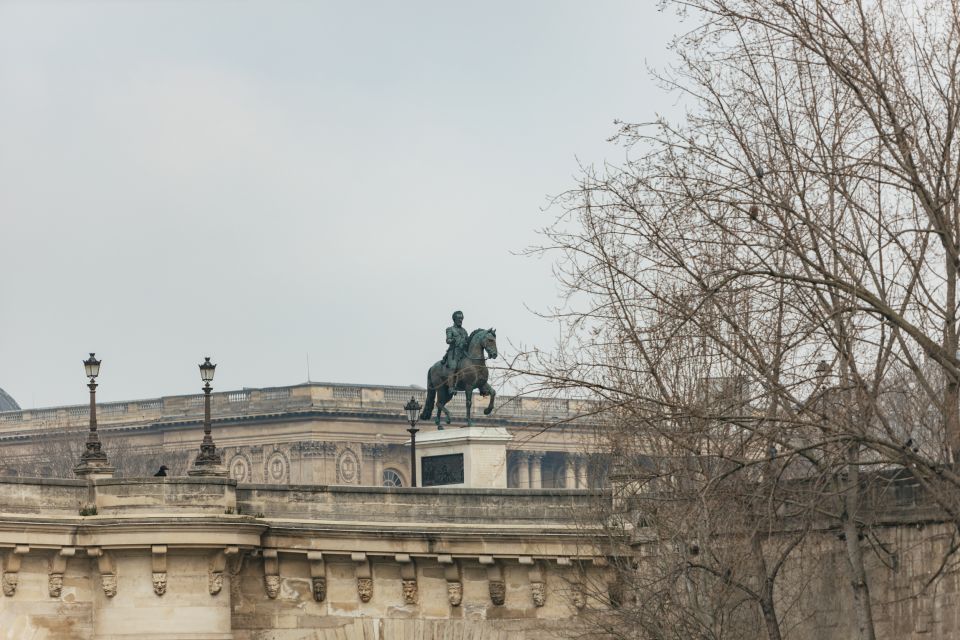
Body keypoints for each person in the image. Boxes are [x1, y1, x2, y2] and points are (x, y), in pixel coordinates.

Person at [443, 310, 468, 395]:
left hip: (463, 353)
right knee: (453, 367)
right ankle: (450, 387)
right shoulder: (450, 329)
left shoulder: (464, 331)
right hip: (453, 353)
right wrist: (452, 340)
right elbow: (448, 340)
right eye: (459, 318)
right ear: (454, 319)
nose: (460, 320)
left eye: (462, 318)